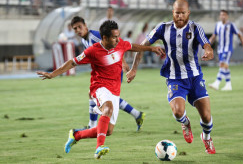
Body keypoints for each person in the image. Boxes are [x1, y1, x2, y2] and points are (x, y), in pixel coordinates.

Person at [37, 20, 165, 159]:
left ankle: (76, 135)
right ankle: (99, 148)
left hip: (115, 90)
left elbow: (132, 46)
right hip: (99, 87)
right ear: (104, 38)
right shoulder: (93, 50)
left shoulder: (119, 43)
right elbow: (72, 62)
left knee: (108, 130)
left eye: (118, 36)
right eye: (114, 37)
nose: (118, 39)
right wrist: (52, 74)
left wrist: (151, 48)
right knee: (107, 108)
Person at [127, 0, 216, 154]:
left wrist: (208, 51)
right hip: (175, 78)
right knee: (178, 112)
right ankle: (185, 122)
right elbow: (142, 46)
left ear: (188, 13)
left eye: (183, 13)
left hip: (195, 77)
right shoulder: (163, 28)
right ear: (173, 13)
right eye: (177, 13)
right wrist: (134, 69)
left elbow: (206, 44)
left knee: (207, 117)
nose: (180, 16)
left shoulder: (195, 28)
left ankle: (206, 137)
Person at [70, 16, 145, 131]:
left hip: (113, 71)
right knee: (103, 96)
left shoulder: (95, 36)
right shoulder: (84, 39)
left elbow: (116, 44)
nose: (78, 30)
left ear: (85, 25)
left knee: (98, 95)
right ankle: (137, 115)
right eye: (75, 29)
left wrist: (123, 62)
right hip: (105, 72)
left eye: (80, 27)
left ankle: (92, 125)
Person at [208, 10, 243, 91]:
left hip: (228, 49)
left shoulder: (231, 25)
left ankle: (217, 83)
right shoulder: (218, 25)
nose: (223, 16)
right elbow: (213, 36)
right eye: (221, 15)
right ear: (220, 16)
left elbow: (239, 35)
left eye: (224, 15)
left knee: (222, 64)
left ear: (227, 16)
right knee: (225, 67)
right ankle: (228, 85)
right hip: (220, 49)